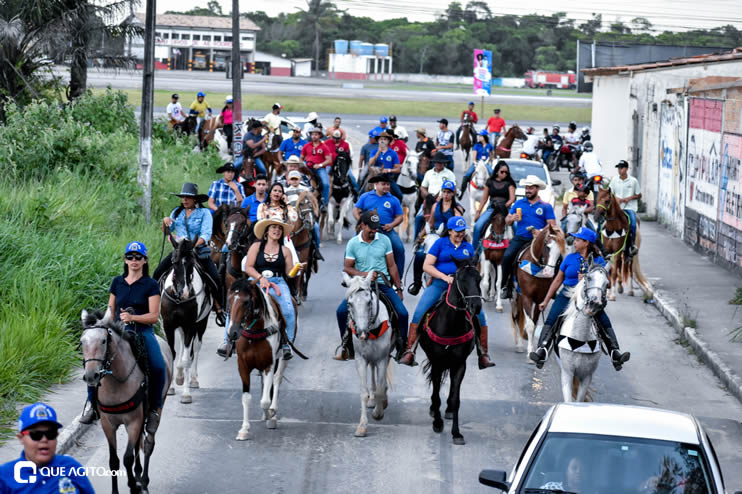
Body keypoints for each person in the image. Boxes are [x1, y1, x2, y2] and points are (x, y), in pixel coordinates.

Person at [79, 240, 168, 434]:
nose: (134, 260)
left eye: (138, 257)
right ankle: (92, 405)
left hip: (142, 331)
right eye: (130, 257)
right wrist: (103, 323)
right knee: (93, 360)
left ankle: (154, 410)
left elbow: (153, 316)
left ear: (145, 261)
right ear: (125, 260)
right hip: (118, 330)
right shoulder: (117, 282)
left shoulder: (151, 285)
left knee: (159, 367)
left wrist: (133, 317)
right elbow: (110, 310)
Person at [529, 226, 630, 370]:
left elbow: (606, 284)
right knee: (552, 317)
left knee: (603, 319)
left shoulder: (598, 261)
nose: (574, 242)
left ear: (586, 242)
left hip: (588, 297)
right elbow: (557, 280)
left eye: (577, 240)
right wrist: (546, 300)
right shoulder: (569, 258)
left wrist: (588, 278)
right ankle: (542, 350)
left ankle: (615, 352)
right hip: (567, 293)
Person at [399, 216, 494, 369]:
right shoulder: (440, 244)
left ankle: (483, 353)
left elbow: (472, 268)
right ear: (449, 231)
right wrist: (444, 277)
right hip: (440, 283)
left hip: (461, 288)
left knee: (480, 314)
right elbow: (427, 265)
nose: (460, 234)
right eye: (457, 232)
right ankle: (410, 350)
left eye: (462, 231)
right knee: (420, 311)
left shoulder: (467, 247)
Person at [334, 211, 408, 361]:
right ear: (362, 225)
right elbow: (347, 268)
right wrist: (364, 274)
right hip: (361, 285)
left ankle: (403, 347)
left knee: (403, 313)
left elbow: (392, 266)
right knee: (341, 312)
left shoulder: (385, 240)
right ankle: (346, 346)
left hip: (382, 284)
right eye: (371, 228)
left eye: (376, 227)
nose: (374, 231)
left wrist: (398, 288)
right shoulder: (353, 243)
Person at [153, 183, 225, 325]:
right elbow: (167, 231)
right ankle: (153, 308)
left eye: (188, 197)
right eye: (183, 197)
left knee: (216, 278)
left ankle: (219, 309)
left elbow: (206, 234)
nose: (184, 200)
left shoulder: (204, 214)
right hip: (179, 250)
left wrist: (191, 246)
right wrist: (165, 223)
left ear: (195, 199)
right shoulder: (177, 212)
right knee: (157, 273)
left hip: (198, 250)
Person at [240, 219, 304, 359]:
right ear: (266, 232)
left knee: (288, 310)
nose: (277, 230)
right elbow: (248, 267)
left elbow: (288, 273)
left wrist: (296, 269)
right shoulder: (256, 247)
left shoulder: (285, 250)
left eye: (279, 229)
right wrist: (261, 278)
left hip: (278, 282)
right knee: (237, 304)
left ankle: (287, 344)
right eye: (273, 228)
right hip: (256, 280)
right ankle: (228, 340)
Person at [0, 403, 94, 493]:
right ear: (21, 438)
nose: (44, 439)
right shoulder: (4, 476)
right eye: (36, 435)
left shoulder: (71, 467)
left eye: (50, 434)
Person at [501, 175, 557, 299]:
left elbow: (552, 225)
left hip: (539, 240)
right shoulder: (519, 203)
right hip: (521, 237)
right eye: (526, 187)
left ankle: (553, 286)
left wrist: (541, 231)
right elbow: (507, 220)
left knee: (556, 258)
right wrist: (511, 218)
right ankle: (505, 285)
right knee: (507, 256)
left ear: (537, 189)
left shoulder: (545, 206)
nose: (528, 190)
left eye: (531, 188)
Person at [408, 180, 464, 296]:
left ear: (453, 193)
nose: (446, 195)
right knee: (419, 254)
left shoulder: (456, 209)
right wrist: (420, 235)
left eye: (449, 192)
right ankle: (417, 283)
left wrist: (449, 234)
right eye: (444, 192)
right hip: (434, 235)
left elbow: (459, 227)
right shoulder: (435, 206)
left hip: (449, 237)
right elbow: (431, 223)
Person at [354, 174, 405, 277]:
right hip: (367, 228)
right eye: (383, 184)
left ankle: (398, 278)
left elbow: (400, 217)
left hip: (385, 228)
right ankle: (350, 274)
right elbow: (356, 210)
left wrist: (391, 225)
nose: (386, 186)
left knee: (399, 248)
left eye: (388, 184)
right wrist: (361, 222)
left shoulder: (394, 199)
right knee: (352, 246)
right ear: (376, 184)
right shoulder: (365, 196)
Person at [472, 161, 516, 249]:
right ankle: (474, 251)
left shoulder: (510, 183)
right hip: (492, 208)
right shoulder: (490, 182)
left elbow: (512, 199)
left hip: (506, 208)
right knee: (478, 226)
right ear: (496, 172)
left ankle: (516, 248)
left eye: (506, 172)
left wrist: (504, 206)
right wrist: (478, 211)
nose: (504, 174)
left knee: (516, 225)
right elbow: (484, 198)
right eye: (502, 172)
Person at [256, 182, 301, 266]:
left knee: (295, 265)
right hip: (266, 237)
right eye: (275, 190)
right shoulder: (262, 206)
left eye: (280, 191)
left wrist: (287, 203)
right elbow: (260, 220)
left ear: (282, 195)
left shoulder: (285, 207)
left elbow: (294, 218)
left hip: (283, 237)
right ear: (270, 193)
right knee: (246, 261)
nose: (277, 193)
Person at [415, 152, 456, 239]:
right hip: (430, 200)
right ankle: (417, 240)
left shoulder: (449, 174)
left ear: (444, 163)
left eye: (441, 162)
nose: (439, 164)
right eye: (437, 162)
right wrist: (428, 195)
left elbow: (454, 188)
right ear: (434, 163)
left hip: (445, 199)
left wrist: (441, 197)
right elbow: (423, 187)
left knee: (455, 215)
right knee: (418, 217)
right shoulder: (429, 173)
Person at [285, 170, 323, 258]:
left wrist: (313, 209)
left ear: (300, 179)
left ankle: (316, 249)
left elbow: (311, 201)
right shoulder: (286, 191)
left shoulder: (305, 189)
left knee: (316, 227)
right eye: (292, 179)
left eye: (296, 179)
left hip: (305, 213)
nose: (294, 181)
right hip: (291, 214)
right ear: (289, 181)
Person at [609, 160, 642, 257]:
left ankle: (632, 245)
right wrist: (616, 198)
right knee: (604, 222)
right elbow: (610, 192)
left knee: (632, 224)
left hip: (629, 207)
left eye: (622, 168)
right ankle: (603, 244)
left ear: (627, 169)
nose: (620, 170)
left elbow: (639, 195)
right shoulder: (614, 180)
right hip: (617, 207)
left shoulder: (633, 181)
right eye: (618, 168)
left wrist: (629, 198)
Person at [300, 127, 332, 208]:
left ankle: (324, 203)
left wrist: (320, 165)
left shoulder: (324, 146)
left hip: (319, 169)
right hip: (307, 168)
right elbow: (301, 158)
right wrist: (302, 164)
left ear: (320, 136)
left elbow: (329, 160)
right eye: (313, 134)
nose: (314, 136)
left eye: (316, 134)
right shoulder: (306, 146)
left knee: (326, 184)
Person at [368, 130, 403, 201]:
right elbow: (370, 163)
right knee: (362, 192)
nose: (383, 141)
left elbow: (398, 169)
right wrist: (378, 152)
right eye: (381, 139)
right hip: (375, 176)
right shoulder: (374, 151)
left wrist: (389, 170)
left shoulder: (393, 153)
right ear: (378, 141)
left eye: (385, 139)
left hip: (388, 178)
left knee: (399, 195)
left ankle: (397, 210)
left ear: (388, 141)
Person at [459, 129, 494, 196]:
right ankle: (461, 192)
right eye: (479, 136)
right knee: (467, 174)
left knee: (492, 173)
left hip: (485, 163)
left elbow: (492, 154)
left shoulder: (489, 146)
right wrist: (475, 162)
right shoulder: (477, 146)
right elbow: (474, 157)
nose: (479, 137)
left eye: (481, 136)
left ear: (485, 137)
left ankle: (493, 191)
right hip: (477, 162)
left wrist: (490, 160)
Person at [325, 129, 360, 195]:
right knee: (325, 178)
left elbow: (348, 157)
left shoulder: (345, 144)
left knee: (351, 177)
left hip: (342, 165)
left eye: (338, 138)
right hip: (330, 164)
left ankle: (357, 194)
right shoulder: (327, 143)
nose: (336, 140)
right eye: (334, 138)